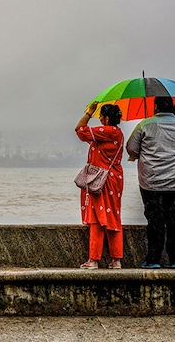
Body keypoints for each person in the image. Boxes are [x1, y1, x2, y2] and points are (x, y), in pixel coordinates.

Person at [126, 96, 175, 269]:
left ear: (156, 107)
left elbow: (131, 148)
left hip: (151, 182)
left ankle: (153, 260)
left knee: (155, 221)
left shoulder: (145, 124)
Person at [75, 101, 124, 269]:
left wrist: (88, 112)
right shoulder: (116, 133)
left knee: (97, 218)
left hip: (101, 181)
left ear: (107, 118)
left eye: (101, 116)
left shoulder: (107, 131)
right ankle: (116, 259)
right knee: (113, 218)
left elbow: (80, 130)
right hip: (114, 179)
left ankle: (93, 260)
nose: (100, 119)